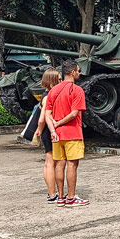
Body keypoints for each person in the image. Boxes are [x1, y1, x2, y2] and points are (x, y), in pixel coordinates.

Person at [46, 60, 89, 207]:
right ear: (72, 72)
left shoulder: (53, 90)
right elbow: (73, 114)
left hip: (57, 134)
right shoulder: (77, 90)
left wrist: (53, 128)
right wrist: (58, 123)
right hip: (72, 132)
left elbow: (47, 114)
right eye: (78, 71)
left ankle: (61, 197)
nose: (79, 73)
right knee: (72, 165)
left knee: (59, 164)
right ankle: (71, 198)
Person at [33, 68, 61, 204]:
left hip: (46, 130)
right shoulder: (48, 96)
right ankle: (52, 193)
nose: (61, 81)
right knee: (50, 162)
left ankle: (52, 192)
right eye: (59, 79)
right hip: (48, 130)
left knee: (50, 162)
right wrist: (40, 129)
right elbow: (42, 118)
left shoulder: (46, 95)